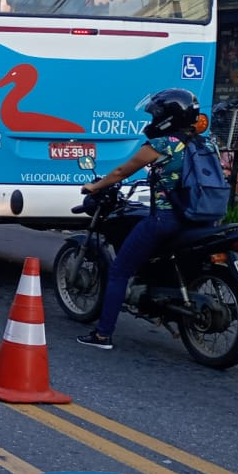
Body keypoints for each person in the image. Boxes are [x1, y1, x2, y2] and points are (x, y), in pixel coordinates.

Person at [76, 88, 214, 350]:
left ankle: (103, 335)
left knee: (118, 271)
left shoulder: (163, 145)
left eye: (155, 115)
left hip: (167, 219)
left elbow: (121, 171)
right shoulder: (207, 143)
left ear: (167, 118)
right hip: (203, 218)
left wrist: (95, 187)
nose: (152, 120)